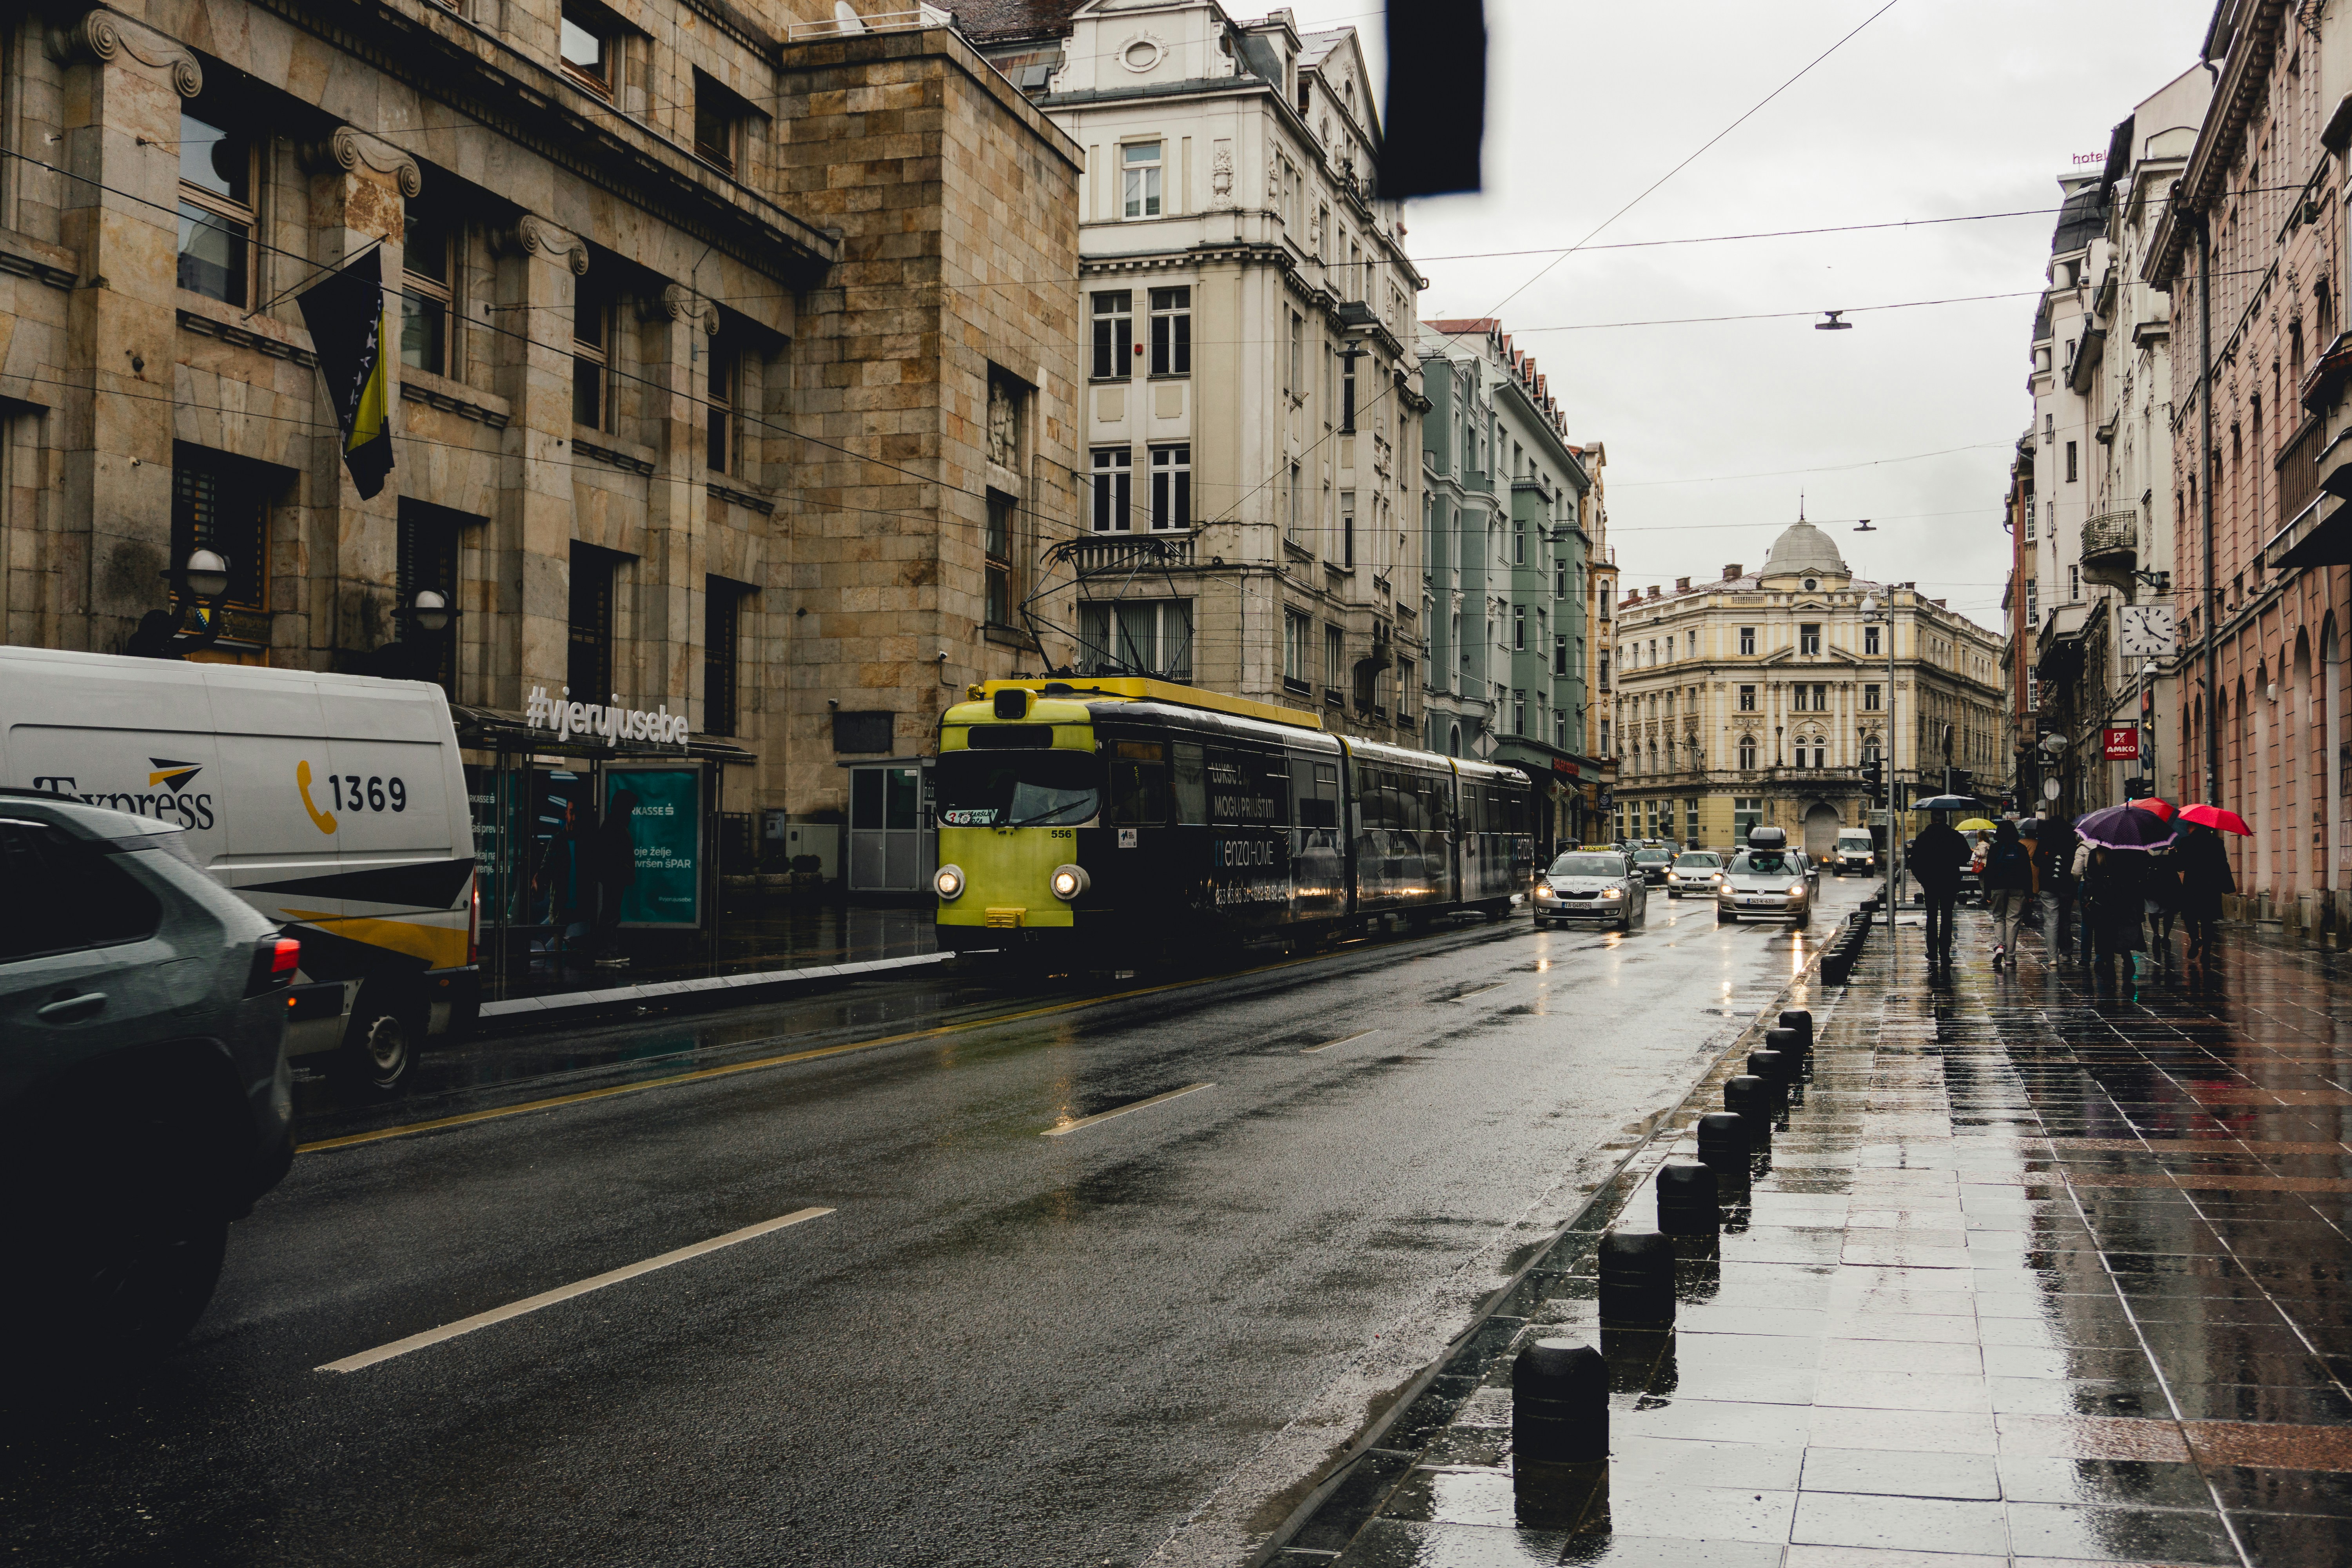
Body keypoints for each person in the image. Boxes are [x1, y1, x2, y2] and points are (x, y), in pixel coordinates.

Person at [2080, 843, 2148, 989]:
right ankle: (2126, 957)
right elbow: (2141, 873)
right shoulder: (2129, 852)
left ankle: (2109, 965)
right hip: (2125, 898)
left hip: (2103, 898)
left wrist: (2087, 899)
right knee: (2121, 930)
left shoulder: (2097, 854)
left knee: (2105, 932)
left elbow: (2090, 878)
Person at [1910, 812, 1969, 971]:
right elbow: (1966, 856)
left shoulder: (1924, 837)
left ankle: (1932, 952)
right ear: (1946, 820)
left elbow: (1914, 862)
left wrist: (1923, 879)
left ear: (1932, 820)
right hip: (1949, 882)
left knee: (1932, 918)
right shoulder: (1954, 836)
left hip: (1931, 883)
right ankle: (1945, 953)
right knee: (1947, 918)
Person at [2175, 820, 2235, 963]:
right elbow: (2223, 864)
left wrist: (2175, 855)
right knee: (2208, 920)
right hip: (2211, 886)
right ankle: (2206, 951)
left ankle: (2195, 939)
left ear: (2195, 826)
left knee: (2190, 917)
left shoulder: (2186, 842)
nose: (2187, 829)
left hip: (2193, 885)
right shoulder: (2217, 843)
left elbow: (2180, 866)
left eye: (2189, 826)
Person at [1980, 818, 2037, 968]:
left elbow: (1989, 871)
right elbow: (2027, 872)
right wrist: (2029, 893)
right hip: (2018, 887)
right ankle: (2010, 957)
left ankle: (1999, 946)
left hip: (1998, 887)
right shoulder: (2021, 848)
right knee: (2013, 919)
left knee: (1999, 917)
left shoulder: (1995, 848)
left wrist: (1987, 894)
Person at [592, 788, 639, 965]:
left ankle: (610, 950)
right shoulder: (615, 825)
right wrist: (625, 869)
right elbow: (612, 854)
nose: (633, 811)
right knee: (610, 913)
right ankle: (604, 951)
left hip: (615, 875)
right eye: (631, 807)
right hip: (615, 876)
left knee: (612, 913)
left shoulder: (614, 823)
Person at [2037, 814, 2079, 960]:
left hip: (2048, 885)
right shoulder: (2072, 842)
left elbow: (2037, 861)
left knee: (2051, 921)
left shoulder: (2045, 841)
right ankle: (2067, 953)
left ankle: (2053, 957)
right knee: (2065, 920)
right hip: (2067, 885)